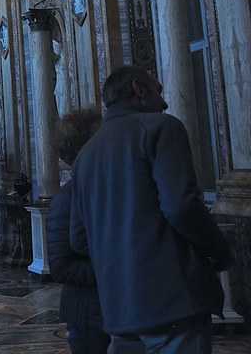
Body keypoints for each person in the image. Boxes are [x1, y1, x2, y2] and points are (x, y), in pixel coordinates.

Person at [71, 67, 232, 353]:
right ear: (139, 89)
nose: (165, 102)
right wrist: (219, 253)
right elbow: (182, 207)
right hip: (172, 303)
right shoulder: (161, 127)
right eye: (158, 90)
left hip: (119, 311)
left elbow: (79, 239)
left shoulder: (85, 156)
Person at [48, 109, 108, 354]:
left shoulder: (112, 188)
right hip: (89, 312)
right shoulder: (68, 198)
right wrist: (115, 272)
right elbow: (61, 266)